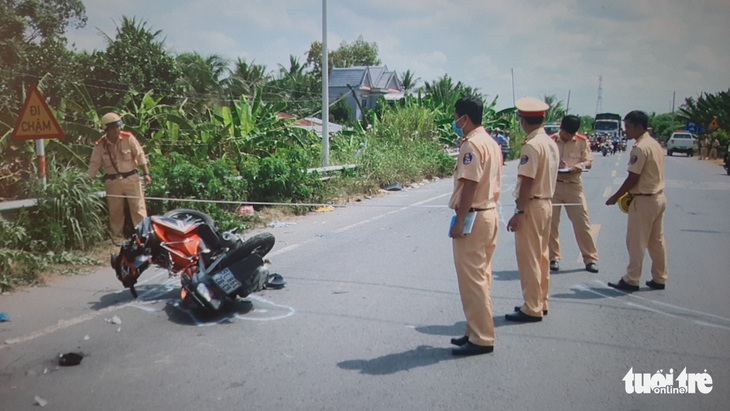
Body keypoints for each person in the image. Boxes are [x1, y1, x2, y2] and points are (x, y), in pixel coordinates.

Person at [448, 96, 502, 356]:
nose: (455, 122)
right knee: (481, 277)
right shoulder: (490, 142)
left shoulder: (471, 145)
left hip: (474, 215)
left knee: (473, 280)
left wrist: (460, 221)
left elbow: (469, 185)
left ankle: (481, 337)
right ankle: (474, 329)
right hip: (488, 213)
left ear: (465, 118)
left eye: (456, 116)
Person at [505, 97, 559, 322]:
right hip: (546, 203)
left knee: (529, 258)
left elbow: (527, 181)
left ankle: (532, 306)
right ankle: (541, 301)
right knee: (542, 256)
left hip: (532, 204)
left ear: (522, 120)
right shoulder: (549, 142)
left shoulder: (532, 145)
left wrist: (519, 212)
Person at [606, 110, 667, 291]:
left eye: (628, 127)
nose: (625, 131)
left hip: (644, 200)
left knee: (636, 241)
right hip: (658, 198)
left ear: (639, 127)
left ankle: (632, 279)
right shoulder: (654, 144)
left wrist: (615, 197)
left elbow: (633, 178)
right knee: (656, 241)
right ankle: (660, 277)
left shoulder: (640, 148)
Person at [87, 112, 152, 237]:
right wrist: (87, 181)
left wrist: (146, 173)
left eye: (119, 126)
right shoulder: (101, 145)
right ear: (107, 129)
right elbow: (94, 164)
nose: (118, 129)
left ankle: (143, 235)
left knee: (138, 208)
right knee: (115, 211)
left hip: (131, 179)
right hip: (113, 182)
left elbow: (140, 155)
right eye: (114, 127)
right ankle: (117, 236)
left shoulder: (129, 138)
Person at [549, 115, 599, 273]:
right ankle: (553, 258)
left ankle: (590, 258)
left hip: (574, 186)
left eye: (571, 134)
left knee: (582, 223)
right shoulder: (550, 141)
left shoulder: (582, 141)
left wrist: (580, 165)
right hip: (554, 186)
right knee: (551, 224)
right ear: (561, 129)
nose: (568, 137)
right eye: (566, 133)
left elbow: (589, 162)